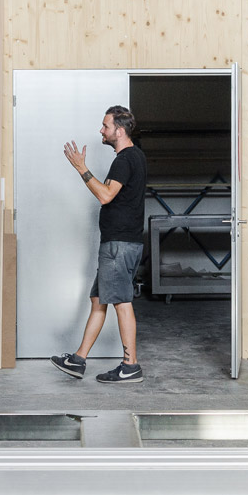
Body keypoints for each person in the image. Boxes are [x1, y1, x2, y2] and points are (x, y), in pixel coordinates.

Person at [51, 105, 148, 384]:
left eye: (106, 126)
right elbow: (110, 194)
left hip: (119, 245)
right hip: (119, 244)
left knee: (121, 302)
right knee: (98, 300)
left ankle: (130, 365)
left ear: (120, 130)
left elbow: (105, 195)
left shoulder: (125, 160)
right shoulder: (134, 157)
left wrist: (81, 168)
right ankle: (78, 359)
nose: (101, 131)